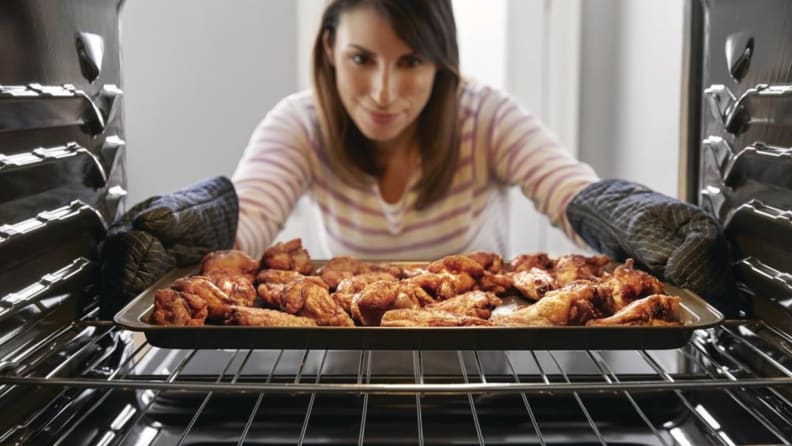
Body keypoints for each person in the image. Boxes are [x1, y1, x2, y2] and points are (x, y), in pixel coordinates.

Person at [101, 0, 739, 316]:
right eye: (362, 59)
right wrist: (192, 230)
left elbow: (570, 193)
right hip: (349, 362)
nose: (384, 92)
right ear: (329, 49)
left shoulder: (482, 115)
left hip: (478, 357)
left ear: (442, 61)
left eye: (411, 62)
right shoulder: (302, 122)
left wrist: (635, 221)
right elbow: (245, 227)